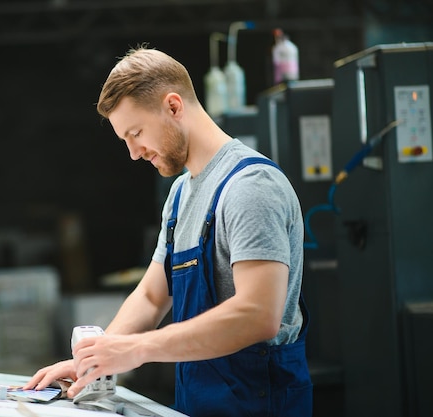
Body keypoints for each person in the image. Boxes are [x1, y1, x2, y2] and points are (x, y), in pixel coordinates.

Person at [24, 45, 312, 417]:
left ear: (173, 106)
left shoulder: (250, 186)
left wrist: (137, 349)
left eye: (137, 132)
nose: (133, 152)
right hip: (201, 402)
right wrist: (96, 360)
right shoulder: (181, 194)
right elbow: (151, 297)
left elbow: (257, 314)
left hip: (259, 403)